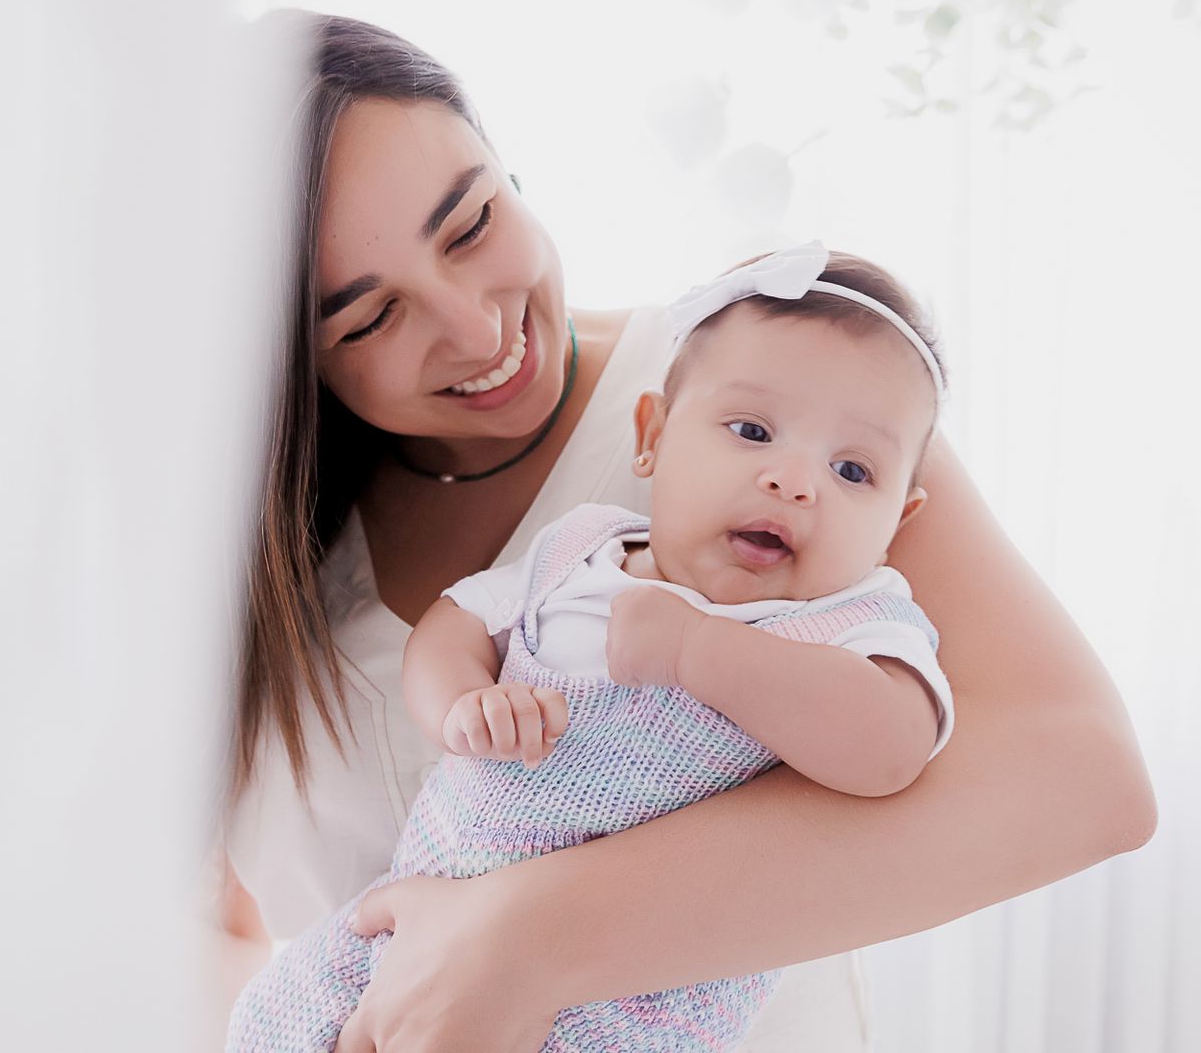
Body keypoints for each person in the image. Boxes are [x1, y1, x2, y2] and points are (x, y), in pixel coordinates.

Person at [207, 12, 1156, 1053]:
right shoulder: (250, 553)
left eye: (472, 223)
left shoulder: (762, 385)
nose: (477, 329)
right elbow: (220, 918)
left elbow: (1083, 777)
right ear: (285, 356)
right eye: (367, 317)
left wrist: (529, 934)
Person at [226, 242, 959, 1051]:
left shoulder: (855, 621)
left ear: (901, 521)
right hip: (419, 920)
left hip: (635, 1001)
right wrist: (465, 703)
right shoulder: (583, 551)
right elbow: (454, 622)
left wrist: (699, 653)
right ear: (652, 436)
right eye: (752, 430)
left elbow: (891, 750)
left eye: (853, 471)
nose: (795, 481)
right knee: (276, 1020)